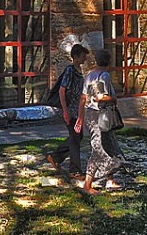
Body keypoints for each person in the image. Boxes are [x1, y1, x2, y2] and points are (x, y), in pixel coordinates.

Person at [74, 48, 126, 194]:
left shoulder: (90, 76)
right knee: (98, 150)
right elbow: (101, 97)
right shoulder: (105, 76)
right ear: (108, 62)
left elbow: (83, 98)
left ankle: (110, 180)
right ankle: (87, 185)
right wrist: (114, 99)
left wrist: (80, 117)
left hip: (90, 114)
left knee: (108, 145)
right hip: (100, 115)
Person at [47, 43, 89, 177]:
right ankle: (74, 170)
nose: (85, 59)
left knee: (77, 136)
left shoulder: (78, 70)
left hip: (76, 110)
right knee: (75, 137)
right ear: (75, 57)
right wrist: (65, 111)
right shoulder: (70, 71)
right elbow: (62, 90)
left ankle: (55, 157)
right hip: (70, 110)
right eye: (83, 56)